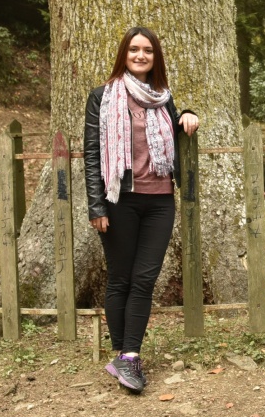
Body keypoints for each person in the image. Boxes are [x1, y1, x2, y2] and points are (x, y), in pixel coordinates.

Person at [83, 26, 199, 393]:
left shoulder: (162, 98)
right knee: (121, 278)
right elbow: (91, 153)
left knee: (145, 278)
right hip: (119, 201)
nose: (140, 55)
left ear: (155, 57)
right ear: (124, 54)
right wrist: (96, 205)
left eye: (147, 50)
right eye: (134, 49)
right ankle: (124, 354)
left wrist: (189, 114)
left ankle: (127, 357)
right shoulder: (102, 96)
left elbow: (174, 128)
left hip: (160, 200)